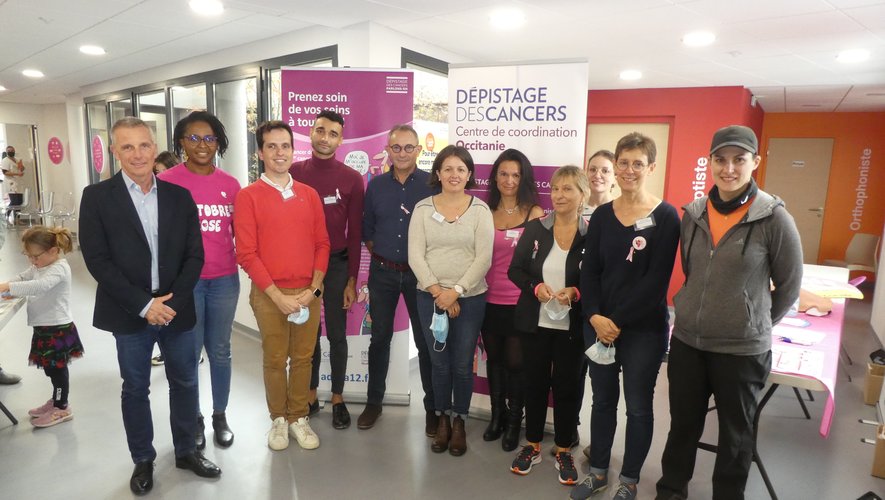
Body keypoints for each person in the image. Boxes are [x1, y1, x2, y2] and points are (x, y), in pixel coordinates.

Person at [655, 125, 803, 500]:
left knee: (736, 436)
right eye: (720, 159)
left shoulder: (774, 219)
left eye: (739, 160)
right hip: (689, 342)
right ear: (710, 162)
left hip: (741, 350)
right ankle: (671, 491)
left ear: (755, 161)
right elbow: (693, 272)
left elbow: (788, 287)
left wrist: (754, 323)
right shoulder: (694, 214)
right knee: (683, 426)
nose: (729, 168)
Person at [79, 117, 220, 495]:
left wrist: (171, 301)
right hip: (129, 312)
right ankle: (143, 459)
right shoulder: (97, 198)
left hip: (175, 307)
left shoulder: (178, 196)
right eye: (127, 147)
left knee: (186, 381)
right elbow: (97, 261)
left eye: (144, 145)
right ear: (114, 151)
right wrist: (145, 305)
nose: (138, 154)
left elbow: (195, 254)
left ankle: (187, 450)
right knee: (136, 388)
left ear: (154, 147)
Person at [572, 132, 680, 500]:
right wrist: (595, 316)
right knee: (602, 402)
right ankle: (598, 471)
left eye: (638, 163)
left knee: (637, 407)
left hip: (642, 331)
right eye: (624, 162)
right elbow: (590, 272)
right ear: (615, 166)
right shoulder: (601, 215)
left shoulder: (666, 217)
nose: (629, 170)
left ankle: (629, 480)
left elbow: (655, 282)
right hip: (599, 326)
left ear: (651, 167)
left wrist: (613, 321)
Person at [235, 120, 330, 451]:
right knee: (275, 358)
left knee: (304, 358)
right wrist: (277, 297)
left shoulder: (309, 195)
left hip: (308, 294)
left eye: (285, 145)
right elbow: (246, 254)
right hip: (268, 296)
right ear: (261, 152)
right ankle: (278, 419)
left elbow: (323, 244)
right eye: (272, 146)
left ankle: (297, 418)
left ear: (293, 150)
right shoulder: (248, 197)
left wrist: (313, 290)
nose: (279, 152)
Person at [159, 111, 241, 449]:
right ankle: (192, 417)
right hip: (185, 285)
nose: (202, 144)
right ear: (181, 142)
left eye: (209, 138)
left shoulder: (230, 185)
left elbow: (241, 234)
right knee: (188, 353)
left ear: (218, 143)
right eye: (193, 138)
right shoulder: (167, 183)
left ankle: (219, 414)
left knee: (220, 351)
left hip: (224, 280)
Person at [408, 145, 493, 457]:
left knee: (461, 363)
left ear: (469, 174)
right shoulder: (421, 209)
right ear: (438, 173)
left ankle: (460, 420)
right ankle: (441, 418)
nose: (454, 174)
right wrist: (438, 292)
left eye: (460, 169)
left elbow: (484, 257)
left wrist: (455, 291)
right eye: (448, 168)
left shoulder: (480, 211)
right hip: (428, 296)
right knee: (438, 363)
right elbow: (415, 255)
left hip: (470, 299)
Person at [507, 165, 589, 486]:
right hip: (535, 323)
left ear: (583, 195)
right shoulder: (536, 228)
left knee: (568, 387)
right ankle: (533, 444)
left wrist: (577, 292)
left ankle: (565, 447)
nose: (559, 195)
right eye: (555, 189)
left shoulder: (591, 234)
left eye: (568, 189)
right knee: (535, 384)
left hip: (572, 327)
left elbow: (599, 278)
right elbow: (516, 271)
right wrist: (535, 288)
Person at [357, 124, 438, 433]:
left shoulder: (432, 184)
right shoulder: (375, 186)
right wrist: (387, 255)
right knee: (379, 339)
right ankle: (373, 402)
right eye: (396, 147)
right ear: (387, 150)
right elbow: (368, 230)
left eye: (408, 147)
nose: (402, 153)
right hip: (383, 273)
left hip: (421, 276)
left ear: (418, 150)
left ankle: (432, 408)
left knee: (426, 341)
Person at [290, 109, 364, 430]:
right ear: (311, 132)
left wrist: (351, 280)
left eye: (333, 133)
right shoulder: (294, 172)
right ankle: (309, 394)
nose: (325, 138)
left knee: (335, 333)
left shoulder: (351, 179)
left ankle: (337, 397)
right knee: (308, 334)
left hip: (335, 265)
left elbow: (357, 233)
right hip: (301, 265)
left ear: (341, 139)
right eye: (320, 131)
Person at [480, 148, 543, 451]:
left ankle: (514, 421)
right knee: (494, 361)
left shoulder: (535, 214)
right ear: (495, 177)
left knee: (516, 363)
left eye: (515, 174)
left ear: (524, 178)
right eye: (503, 173)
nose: (509, 180)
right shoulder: (483, 211)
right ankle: (497, 417)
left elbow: (540, 262)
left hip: (521, 302)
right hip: (487, 298)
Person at [0, 226, 82, 428]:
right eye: (28, 257)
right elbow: (23, 277)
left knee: (57, 369)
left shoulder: (59, 268)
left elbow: (39, 286)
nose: (32, 261)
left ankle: (62, 407)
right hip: (44, 327)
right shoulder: (39, 266)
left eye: (35, 256)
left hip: (57, 328)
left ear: (53, 251)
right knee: (50, 368)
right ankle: (56, 400)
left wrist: (9, 288)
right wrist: (9, 284)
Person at [583, 149, 617, 217]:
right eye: (593, 170)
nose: (597, 175)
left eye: (605, 171)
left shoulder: (622, 211)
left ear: (615, 178)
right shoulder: (575, 210)